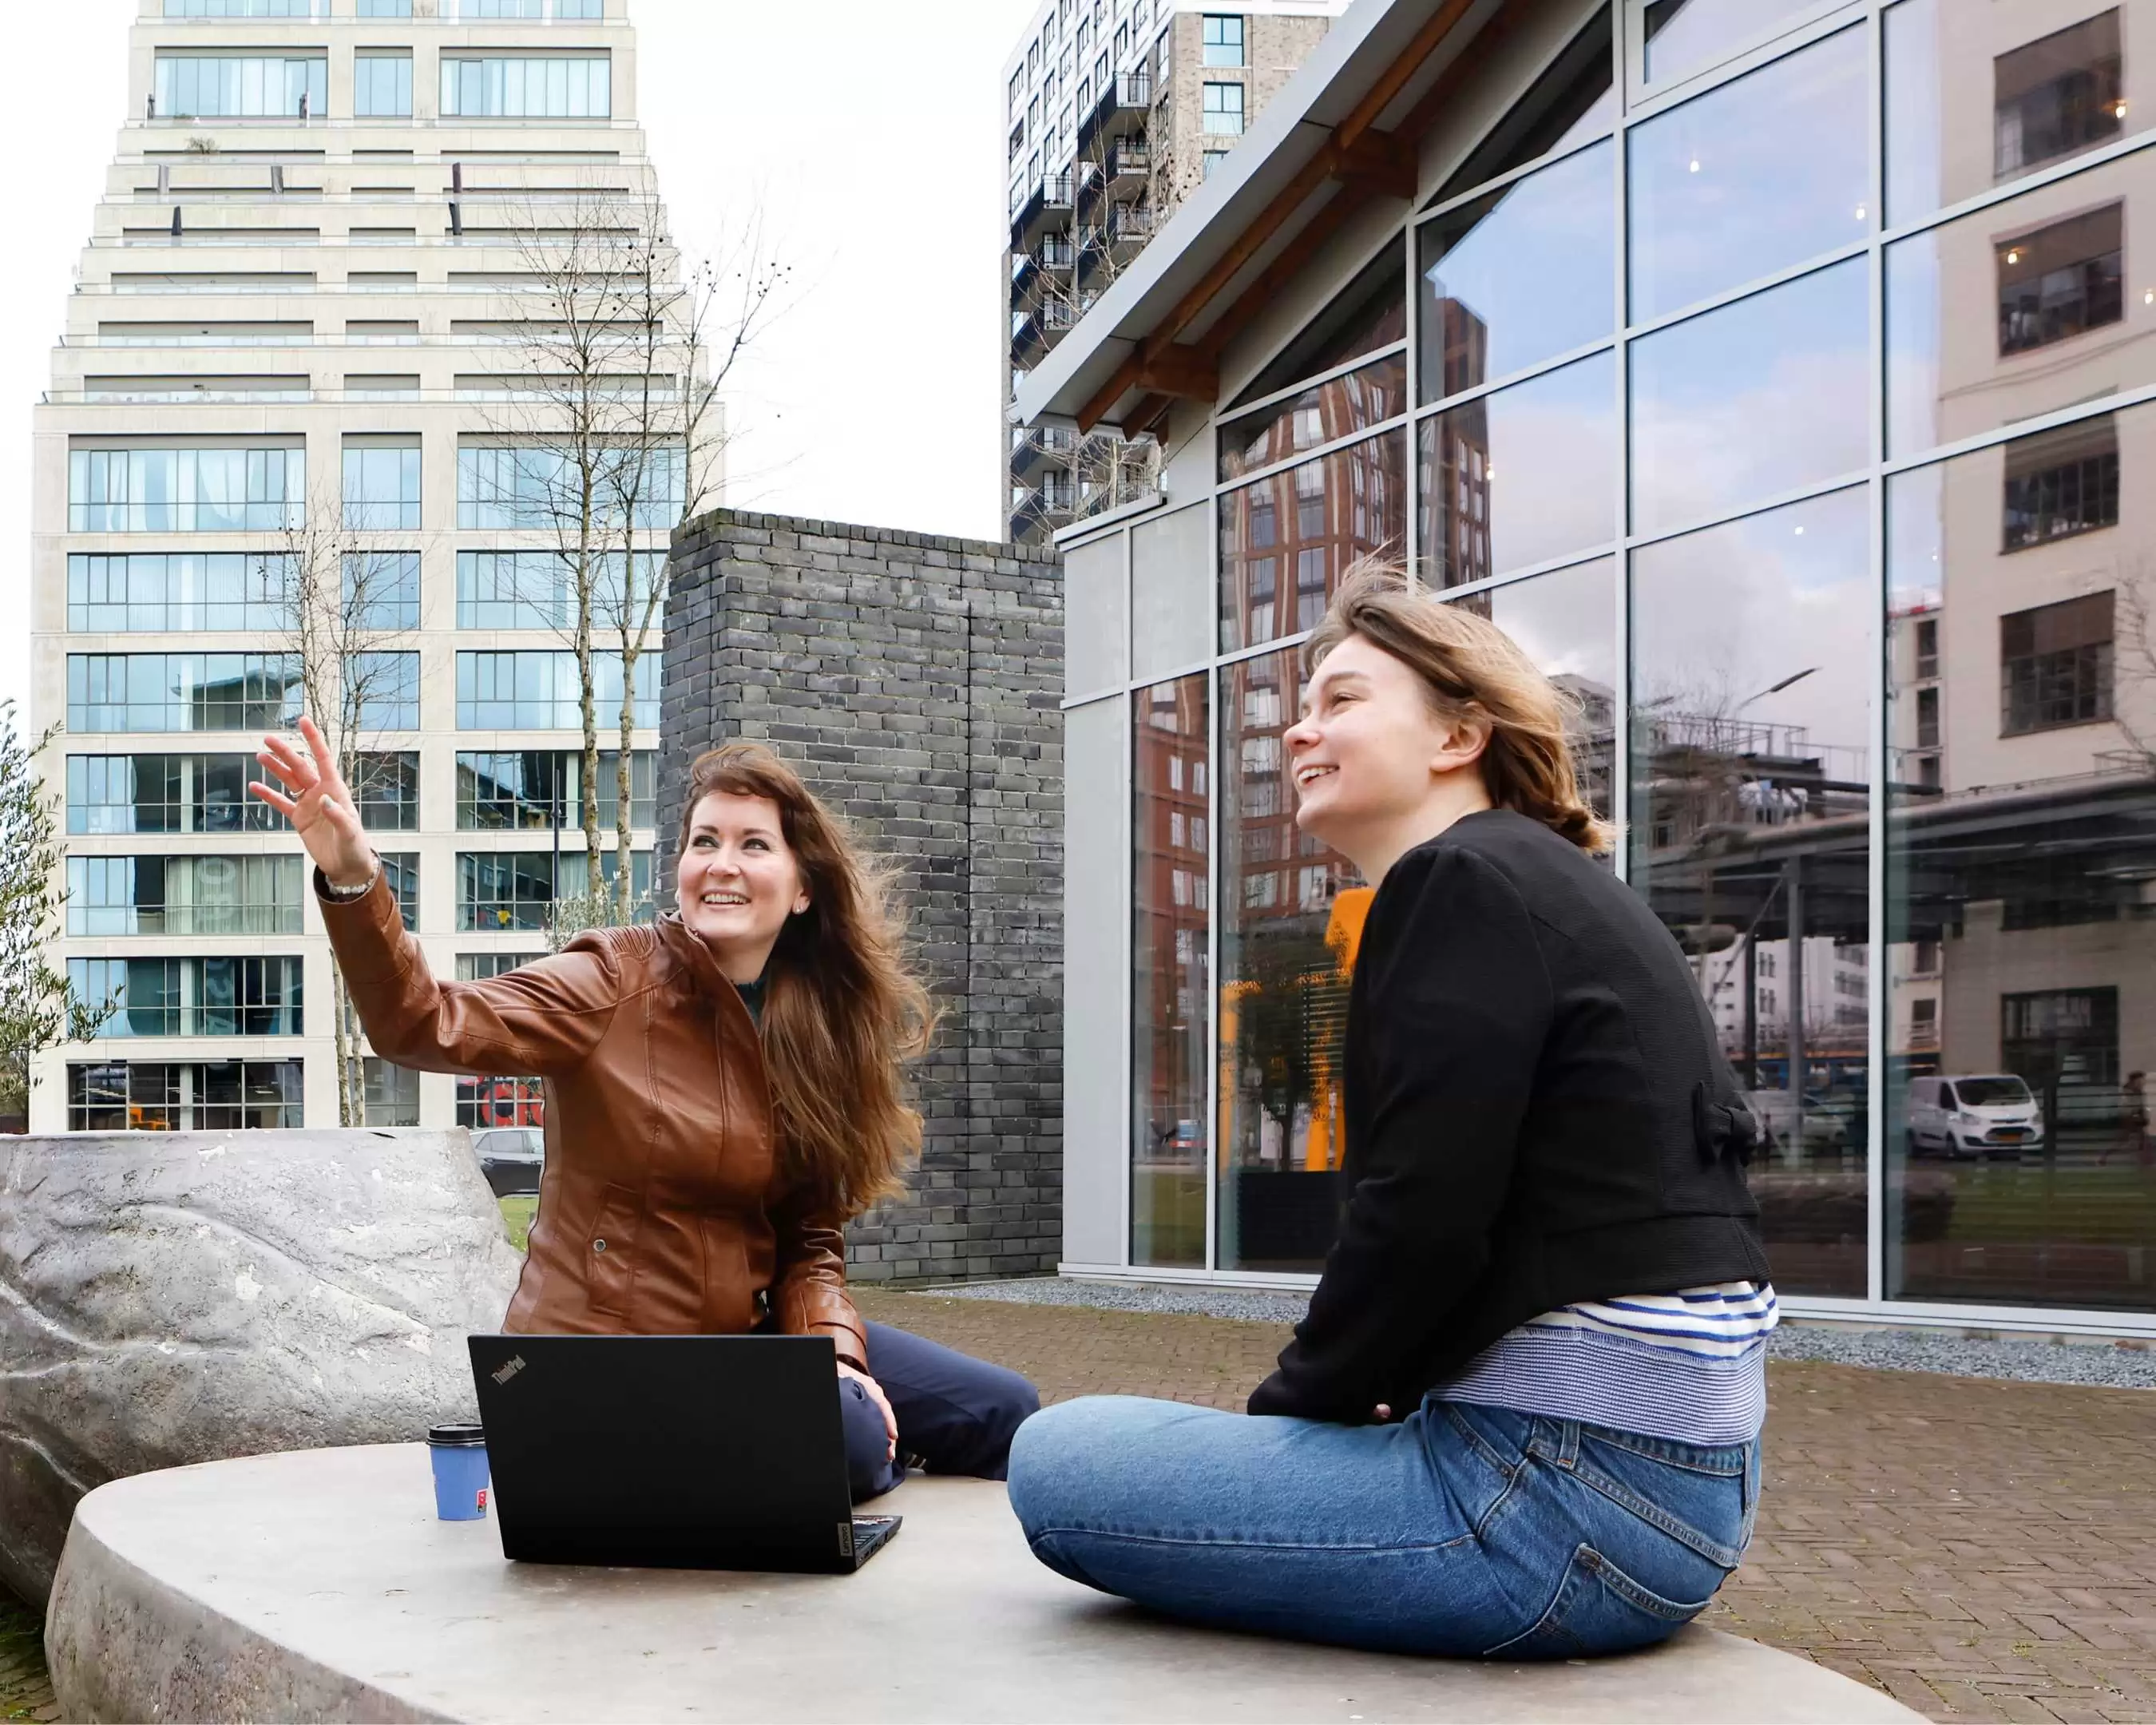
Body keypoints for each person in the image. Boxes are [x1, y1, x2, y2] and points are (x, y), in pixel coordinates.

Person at [1007, 565, 1776, 1659]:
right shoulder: (1543, 882)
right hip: (1682, 1494)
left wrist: (1296, 1421)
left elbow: (1423, 1211)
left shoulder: (1457, 881)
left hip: (1561, 1507)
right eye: (1301, 710)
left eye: (1342, 701)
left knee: (1058, 1460)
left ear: (1458, 736)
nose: (1300, 733)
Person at [252, 719, 1037, 1501]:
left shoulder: (809, 1033)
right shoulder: (611, 980)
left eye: (754, 845)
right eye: (705, 842)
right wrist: (355, 879)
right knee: (856, 1443)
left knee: (1002, 1410)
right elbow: (421, 1021)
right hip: (598, 1361)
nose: (722, 865)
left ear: (803, 888)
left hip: (736, 1344)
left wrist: (837, 1355)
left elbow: (811, 1241)